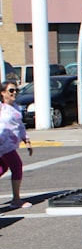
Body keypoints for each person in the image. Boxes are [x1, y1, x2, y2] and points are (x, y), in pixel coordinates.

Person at [1, 80, 32, 209]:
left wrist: (27, 140)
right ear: (2, 93)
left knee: (2, 169)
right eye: (11, 90)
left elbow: (20, 126)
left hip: (10, 145)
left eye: (16, 90)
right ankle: (16, 199)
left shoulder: (16, 107)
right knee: (17, 166)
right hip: (3, 144)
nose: (14, 93)